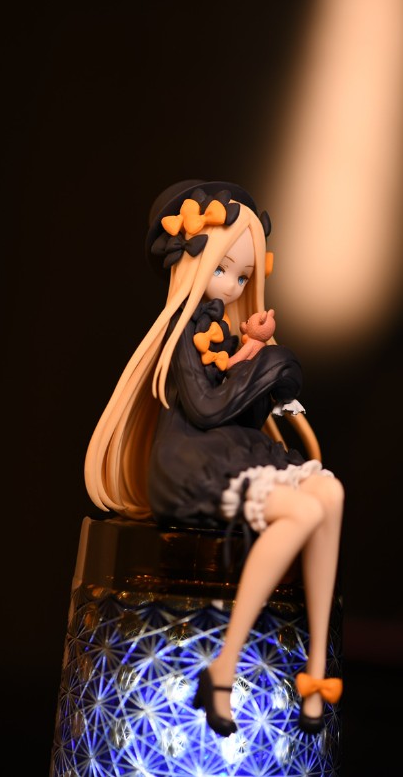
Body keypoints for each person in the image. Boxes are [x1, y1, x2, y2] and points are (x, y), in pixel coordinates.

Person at [84, 179, 344, 737]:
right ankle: (224, 666)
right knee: (301, 512)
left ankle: (317, 669)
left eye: (243, 276)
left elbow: (237, 401)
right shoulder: (184, 333)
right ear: (191, 264)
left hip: (230, 449)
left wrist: (254, 354)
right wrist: (269, 366)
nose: (233, 285)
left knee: (331, 491)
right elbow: (206, 407)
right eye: (223, 269)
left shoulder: (221, 330)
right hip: (191, 461)